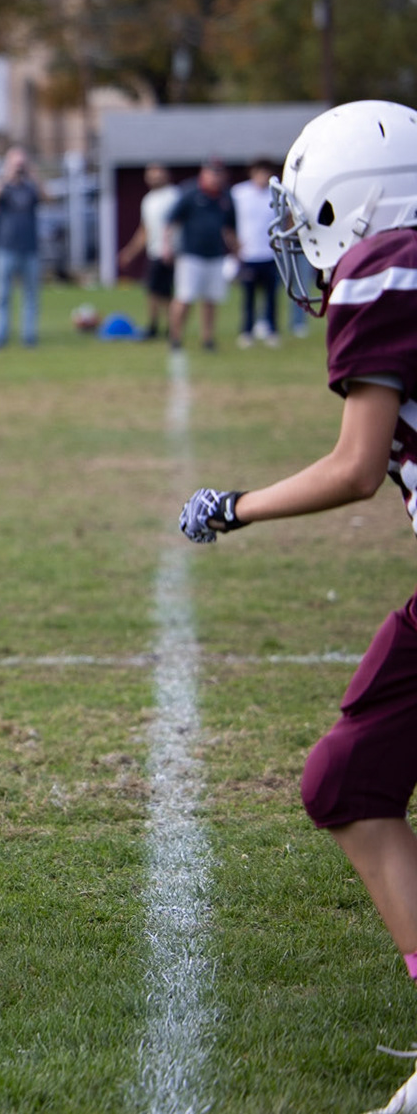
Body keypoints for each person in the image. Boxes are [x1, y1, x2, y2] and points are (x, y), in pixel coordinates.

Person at [177, 100, 417, 1114]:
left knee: (348, 782)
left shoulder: (388, 263)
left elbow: (359, 468)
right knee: (345, 777)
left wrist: (234, 508)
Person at [165, 161, 238, 353]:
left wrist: (236, 250)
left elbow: (229, 228)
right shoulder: (190, 193)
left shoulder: (225, 197)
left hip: (215, 255)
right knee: (185, 297)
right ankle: (175, 337)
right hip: (191, 255)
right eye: (212, 173)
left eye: (219, 173)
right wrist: (168, 246)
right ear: (203, 174)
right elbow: (171, 221)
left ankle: (208, 338)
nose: (216, 177)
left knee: (211, 299)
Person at [0, 147, 43, 349]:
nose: (19, 167)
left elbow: (47, 196)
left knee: (31, 296)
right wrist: (6, 174)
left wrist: (32, 173)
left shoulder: (30, 187)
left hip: (30, 249)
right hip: (5, 248)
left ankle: (29, 338)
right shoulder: (4, 185)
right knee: (1, 296)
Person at [118, 164, 180, 342]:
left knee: (169, 293)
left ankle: (172, 327)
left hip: (172, 252)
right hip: (154, 251)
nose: (154, 178)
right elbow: (145, 230)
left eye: (157, 174)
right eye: (151, 175)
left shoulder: (174, 196)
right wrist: (129, 252)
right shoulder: (148, 200)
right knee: (152, 290)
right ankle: (153, 326)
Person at [229, 160, 280, 348]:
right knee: (248, 297)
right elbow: (229, 220)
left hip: (270, 253)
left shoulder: (275, 193)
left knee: (271, 296)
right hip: (248, 254)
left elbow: (288, 216)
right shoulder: (239, 193)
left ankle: (271, 330)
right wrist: (234, 245)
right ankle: (247, 331)